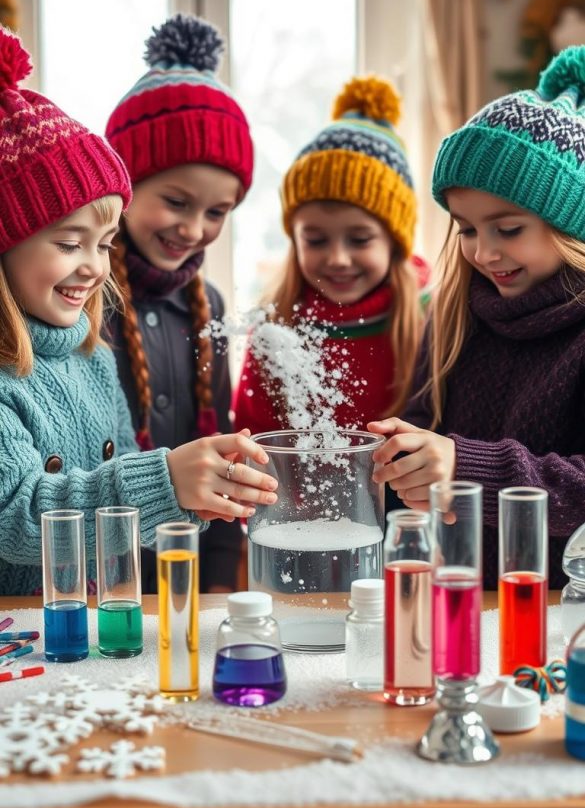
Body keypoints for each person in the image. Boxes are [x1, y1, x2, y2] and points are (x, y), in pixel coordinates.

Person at [0, 27, 277, 597]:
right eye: (68, 243)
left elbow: (124, 474)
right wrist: (169, 480)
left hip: (89, 623)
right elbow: (16, 511)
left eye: (104, 244)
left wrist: (198, 491)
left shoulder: (89, 353)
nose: (96, 268)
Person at [369, 45, 585, 587]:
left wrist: (465, 469)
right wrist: (403, 462)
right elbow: (423, 435)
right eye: (466, 229)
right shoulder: (452, 315)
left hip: (561, 617)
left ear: (571, 227)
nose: (483, 253)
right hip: (458, 604)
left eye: (507, 230)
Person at [104, 14, 255, 592]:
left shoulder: (206, 307)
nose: (194, 229)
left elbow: (223, 458)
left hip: (185, 585)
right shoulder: (82, 300)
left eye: (217, 212)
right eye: (176, 201)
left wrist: (219, 578)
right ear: (124, 182)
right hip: (101, 589)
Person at [232, 76, 429, 435]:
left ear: (394, 243)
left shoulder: (426, 317)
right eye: (316, 240)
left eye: (359, 239)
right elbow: (254, 444)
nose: (338, 258)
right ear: (295, 240)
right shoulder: (274, 328)